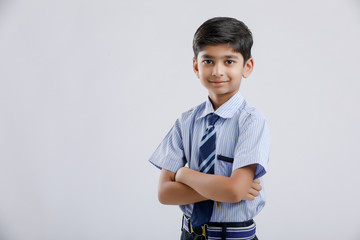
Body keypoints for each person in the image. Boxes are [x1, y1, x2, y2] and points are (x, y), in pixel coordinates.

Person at [149, 17, 271, 240]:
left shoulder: (251, 121)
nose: (217, 71)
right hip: (190, 234)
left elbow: (234, 192)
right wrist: (225, 189)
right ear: (196, 66)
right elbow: (164, 193)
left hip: (234, 236)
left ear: (247, 67)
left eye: (229, 61)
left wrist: (184, 174)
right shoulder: (186, 122)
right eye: (208, 61)